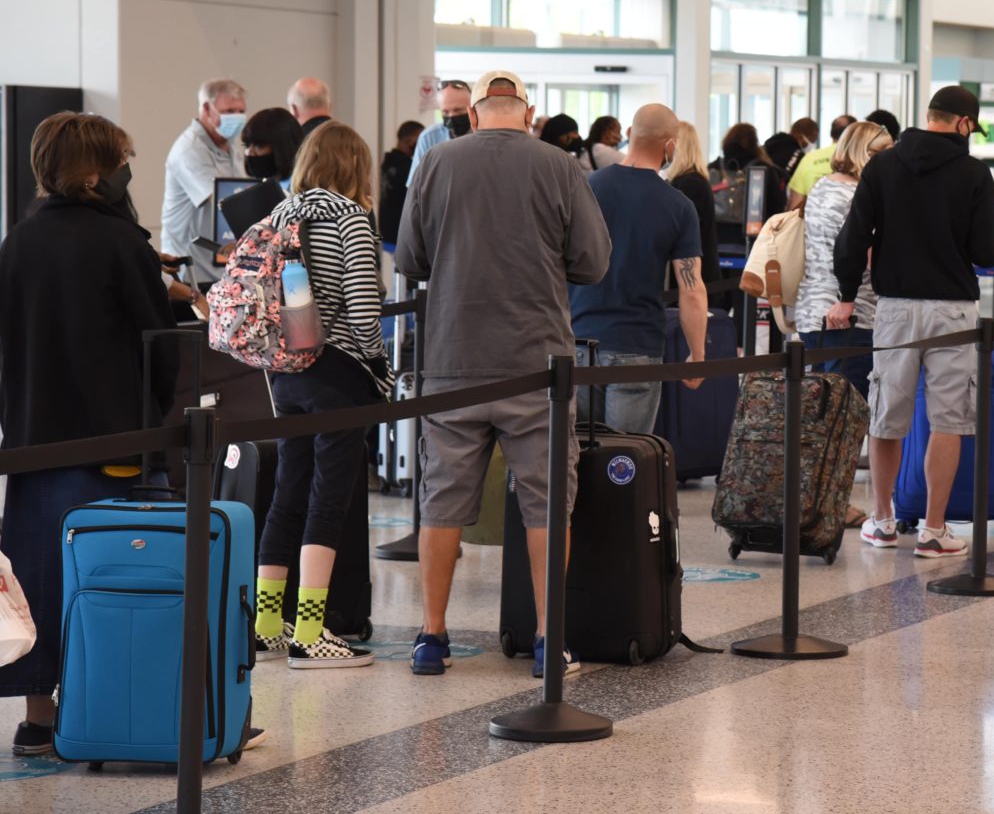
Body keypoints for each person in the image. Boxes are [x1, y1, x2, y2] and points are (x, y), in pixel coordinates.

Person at [395, 70, 610, 679]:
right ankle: (548, 640)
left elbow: (410, 258)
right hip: (536, 365)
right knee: (546, 506)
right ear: (528, 111)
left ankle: (431, 638)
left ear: (473, 113)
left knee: (441, 503)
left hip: (451, 361)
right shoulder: (560, 166)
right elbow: (593, 262)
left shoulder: (435, 164)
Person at [0, 113, 176, 754]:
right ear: (98, 172)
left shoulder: (18, 240)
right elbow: (159, 344)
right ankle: (114, 704)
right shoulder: (121, 242)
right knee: (118, 575)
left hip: (32, 439)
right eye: (125, 159)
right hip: (113, 444)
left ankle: (37, 717)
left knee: (37, 576)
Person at [832, 86, 994, 558]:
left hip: (895, 309)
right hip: (954, 311)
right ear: (964, 124)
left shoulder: (883, 166)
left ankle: (883, 521)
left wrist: (847, 295)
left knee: (887, 415)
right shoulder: (974, 172)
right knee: (948, 419)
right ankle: (933, 530)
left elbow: (851, 239)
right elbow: (989, 251)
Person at [251, 122, 393, 669]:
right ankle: (311, 630)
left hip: (286, 371)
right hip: (337, 374)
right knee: (329, 500)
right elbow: (361, 311)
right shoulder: (350, 218)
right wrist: (379, 364)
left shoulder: (283, 213)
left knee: (289, 491)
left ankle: (268, 627)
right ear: (355, 166)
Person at [572, 104, 707, 433]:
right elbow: (691, 290)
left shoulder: (584, 188)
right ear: (670, 145)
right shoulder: (677, 205)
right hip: (636, 346)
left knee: (572, 460)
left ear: (630, 135)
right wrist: (697, 354)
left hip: (576, 341)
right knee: (625, 465)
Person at [798, 121, 891, 398]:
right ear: (868, 154)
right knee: (846, 416)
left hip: (813, 314)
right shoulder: (859, 195)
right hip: (852, 316)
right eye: (885, 152)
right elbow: (867, 256)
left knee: (817, 417)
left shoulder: (821, 186)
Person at [162, 77, 246, 288]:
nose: (236, 118)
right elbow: (222, 203)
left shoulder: (233, 146)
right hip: (193, 272)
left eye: (240, 111)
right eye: (229, 111)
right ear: (207, 109)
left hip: (223, 268)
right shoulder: (190, 150)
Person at [664, 120, 726, 310]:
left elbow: (686, 234)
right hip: (696, 279)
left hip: (694, 283)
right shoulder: (692, 181)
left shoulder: (689, 184)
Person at [712, 122, 786, 251]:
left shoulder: (713, 168)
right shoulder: (764, 169)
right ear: (754, 142)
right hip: (754, 241)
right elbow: (777, 207)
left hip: (716, 239)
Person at [407, 80, 475, 186]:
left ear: (473, 109)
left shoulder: (485, 135)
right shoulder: (429, 137)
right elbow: (415, 186)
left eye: (458, 110)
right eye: (445, 112)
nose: (451, 116)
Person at [787, 113, 855, 208]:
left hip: (812, 219)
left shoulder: (809, 158)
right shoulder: (859, 159)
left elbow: (794, 204)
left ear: (831, 133)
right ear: (855, 135)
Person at [379, 120, 422, 247]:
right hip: (400, 234)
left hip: (387, 231)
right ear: (411, 142)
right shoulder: (407, 168)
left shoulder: (388, 162)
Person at [240, 107, 305, 189]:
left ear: (282, 147)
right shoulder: (262, 185)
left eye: (259, 146)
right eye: (247, 145)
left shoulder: (304, 192)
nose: (250, 152)